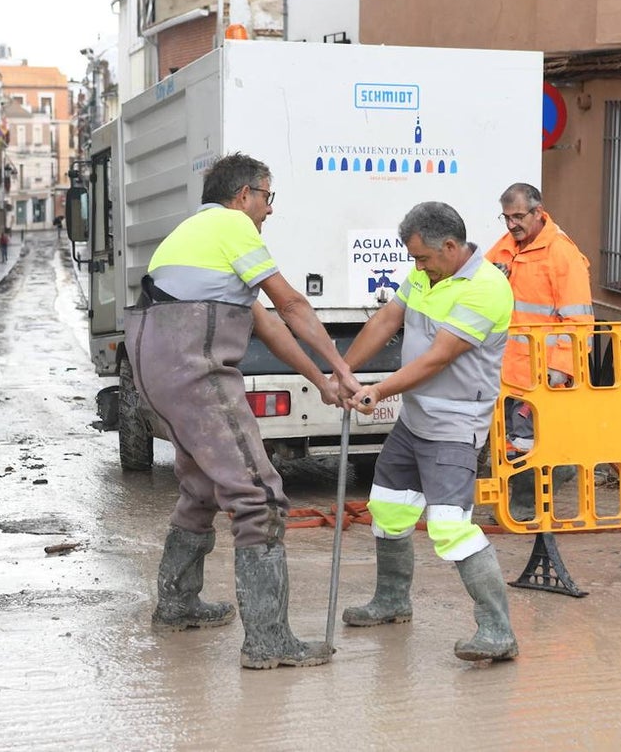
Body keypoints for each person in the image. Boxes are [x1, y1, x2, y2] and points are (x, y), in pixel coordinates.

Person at [123, 152, 361, 670]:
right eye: (266, 196)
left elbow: (269, 325)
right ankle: (269, 642)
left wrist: (321, 380)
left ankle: (178, 603)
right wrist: (344, 367)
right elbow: (292, 305)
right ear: (243, 196)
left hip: (156, 372)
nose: (269, 210)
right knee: (260, 496)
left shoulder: (197, 235)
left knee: (202, 486)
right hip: (194, 369)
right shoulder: (234, 226)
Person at [339, 201, 518, 663]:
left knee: (450, 526)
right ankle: (392, 600)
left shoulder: (486, 288)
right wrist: (342, 372)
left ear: (452, 247)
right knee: (388, 508)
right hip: (414, 421)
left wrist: (375, 391)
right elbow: (386, 320)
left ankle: (498, 631)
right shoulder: (426, 275)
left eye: (422, 257)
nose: (416, 267)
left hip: (455, 425)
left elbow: (439, 357)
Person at [485, 183, 594, 521]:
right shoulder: (504, 249)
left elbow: (578, 320)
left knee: (525, 443)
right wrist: (491, 281)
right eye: (506, 218)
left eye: (518, 217)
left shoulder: (561, 254)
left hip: (541, 373)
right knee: (510, 443)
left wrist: (560, 368)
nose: (511, 224)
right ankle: (516, 506)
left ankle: (523, 508)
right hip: (507, 371)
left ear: (537, 212)